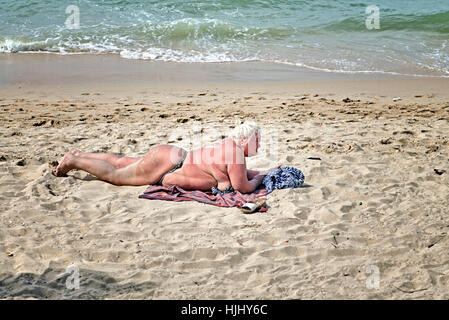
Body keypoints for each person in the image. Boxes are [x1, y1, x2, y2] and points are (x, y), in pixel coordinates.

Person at [54, 120, 277, 193]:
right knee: (115, 175)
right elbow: (243, 187)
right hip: (169, 168)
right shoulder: (236, 153)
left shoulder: (228, 146)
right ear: (247, 140)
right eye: (259, 140)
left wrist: (262, 172)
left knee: (122, 162)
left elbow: (234, 174)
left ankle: (79, 154)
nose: (260, 145)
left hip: (173, 157)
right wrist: (260, 179)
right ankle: (73, 161)